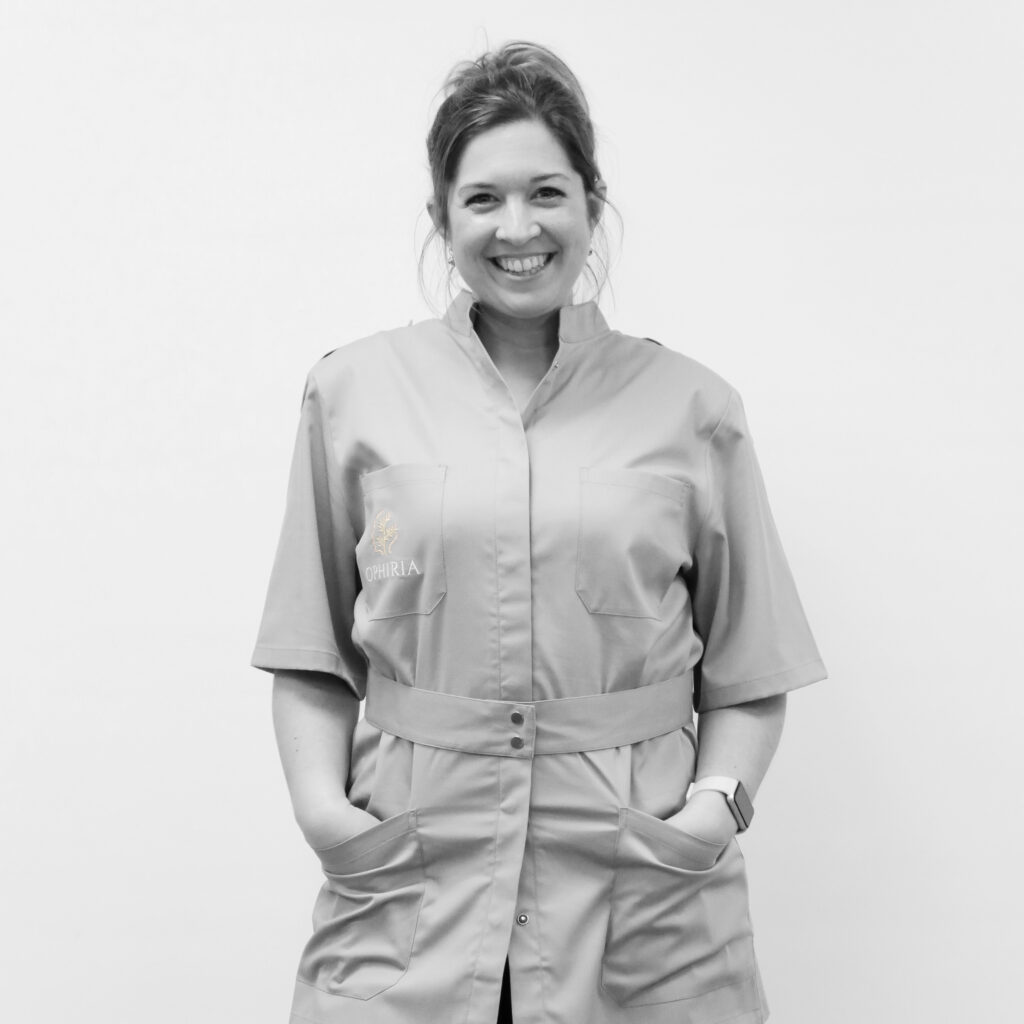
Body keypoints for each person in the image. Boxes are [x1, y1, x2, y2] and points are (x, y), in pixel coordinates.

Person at [251, 41, 827, 1024]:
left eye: (546, 193)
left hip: (640, 890)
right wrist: (324, 813)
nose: (517, 228)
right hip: (412, 883)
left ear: (591, 206)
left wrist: (714, 808)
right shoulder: (352, 393)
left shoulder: (693, 406)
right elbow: (311, 651)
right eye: (482, 199)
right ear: (442, 219)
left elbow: (749, 667)